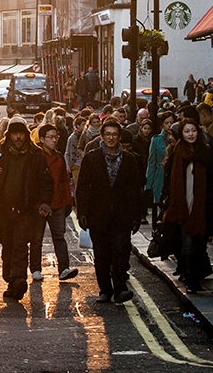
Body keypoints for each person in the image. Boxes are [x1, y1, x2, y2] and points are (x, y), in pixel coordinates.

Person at [0, 116, 52, 300]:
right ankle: (10, 280)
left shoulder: (35, 155)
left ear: (27, 135)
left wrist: (44, 202)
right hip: (3, 208)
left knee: (21, 245)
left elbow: (46, 182)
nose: (18, 137)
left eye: (21, 133)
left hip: (25, 209)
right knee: (7, 243)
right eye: (15, 134)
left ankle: (19, 278)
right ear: (9, 135)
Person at [76, 118, 144, 304]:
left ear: (119, 137)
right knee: (102, 255)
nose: (111, 138)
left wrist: (136, 216)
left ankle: (120, 289)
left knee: (121, 252)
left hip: (122, 215)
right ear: (101, 136)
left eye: (114, 134)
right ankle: (105, 290)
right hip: (98, 215)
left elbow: (134, 190)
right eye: (107, 134)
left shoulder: (129, 160)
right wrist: (82, 212)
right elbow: (82, 187)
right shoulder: (91, 158)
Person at [161, 118, 213, 292]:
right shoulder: (176, 153)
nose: (190, 134)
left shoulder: (206, 152)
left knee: (200, 244)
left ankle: (195, 273)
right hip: (182, 206)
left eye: (193, 131)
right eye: (187, 131)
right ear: (181, 134)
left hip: (201, 206)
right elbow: (169, 180)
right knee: (187, 243)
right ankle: (191, 280)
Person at [33, 123, 79, 282]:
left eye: (56, 137)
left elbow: (65, 181)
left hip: (58, 203)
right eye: (51, 137)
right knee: (36, 238)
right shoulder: (36, 156)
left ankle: (64, 268)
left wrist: (68, 201)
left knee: (59, 237)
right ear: (42, 139)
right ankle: (36, 269)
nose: (54, 140)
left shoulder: (59, 157)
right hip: (39, 204)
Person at [146, 111, 176, 214]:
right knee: (159, 203)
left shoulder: (178, 139)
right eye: (166, 123)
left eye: (171, 123)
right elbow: (152, 162)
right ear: (162, 124)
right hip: (160, 175)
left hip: (173, 174)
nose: (169, 125)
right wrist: (149, 184)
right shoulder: (156, 140)